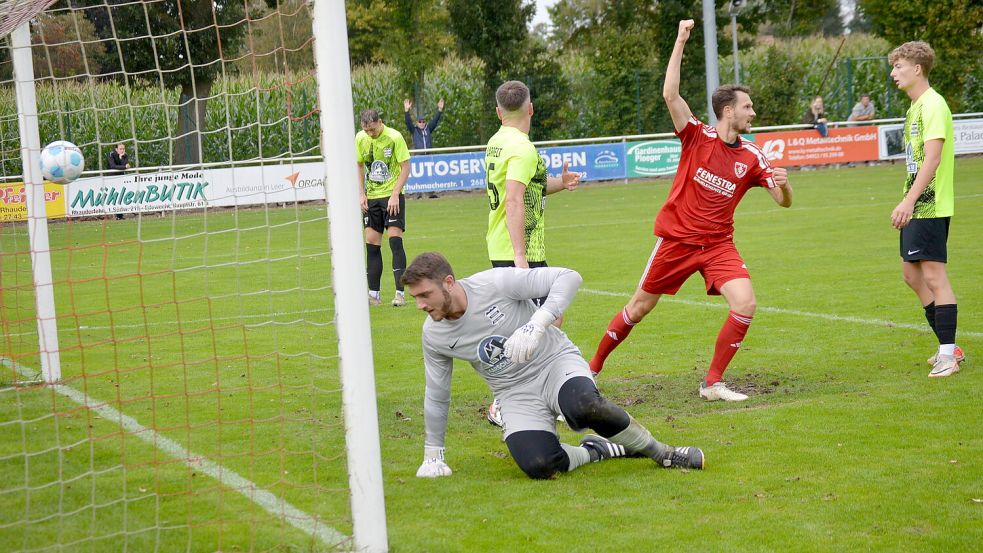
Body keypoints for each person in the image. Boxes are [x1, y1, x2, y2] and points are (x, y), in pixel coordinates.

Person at [587, 19, 792, 402]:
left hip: (718, 246)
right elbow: (670, 94)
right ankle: (591, 369)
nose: (753, 112)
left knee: (745, 303)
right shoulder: (697, 135)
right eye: (747, 106)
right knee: (638, 308)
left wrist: (784, 184)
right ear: (727, 111)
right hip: (678, 241)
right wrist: (680, 40)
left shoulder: (753, 155)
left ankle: (712, 383)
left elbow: (783, 202)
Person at [402, 251, 705, 480]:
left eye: (425, 295)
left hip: (553, 363)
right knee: (539, 465)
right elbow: (437, 394)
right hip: (513, 393)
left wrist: (537, 324)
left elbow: (569, 277)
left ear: (449, 283)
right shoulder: (434, 334)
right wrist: (433, 454)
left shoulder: (495, 284)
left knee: (584, 405)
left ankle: (662, 452)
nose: (420, 305)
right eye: (415, 297)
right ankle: (597, 449)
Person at [483, 79, 581, 426]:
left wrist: (559, 183)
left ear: (498, 112)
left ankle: (523, 396)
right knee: (546, 321)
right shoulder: (523, 148)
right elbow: (512, 198)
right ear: (531, 108)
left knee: (541, 323)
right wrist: (522, 257)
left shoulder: (497, 142)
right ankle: (506, 401)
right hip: (519, 250)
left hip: (502, 245)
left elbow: (526, 191)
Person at [888, 41, 962, 377]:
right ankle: (949, 346)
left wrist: (909, 200)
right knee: (911, 275)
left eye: (899, 67)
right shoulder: (915, 107)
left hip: (929, 206)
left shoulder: (934, 105)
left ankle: (948, 354)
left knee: (933, 276)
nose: (894, 73)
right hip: (918, 205)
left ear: (917, 69)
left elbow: (932, 158)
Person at [355, 109, 411, 307]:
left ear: (380, 122)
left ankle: (399, 294)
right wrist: (361, 194)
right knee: (372, 245)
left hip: (391, 197)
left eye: (372, 129)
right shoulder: (360, 138)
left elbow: (405, 166)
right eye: (366, 130)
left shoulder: (394, 137)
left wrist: (396, 193)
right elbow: (359, 166)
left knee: (395, 242)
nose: (370, 134)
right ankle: (374, 295)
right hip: (371, 199)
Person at [108, 143, 130, 219]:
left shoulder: (125, 155)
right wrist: (124, 166)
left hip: (121, 177)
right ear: (116, 149)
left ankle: (120, 215)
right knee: (114, 196)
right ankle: (115, 214)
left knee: (121, 195)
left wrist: (121, 158)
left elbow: (127, 166)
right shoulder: (111, 154)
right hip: (113, 177)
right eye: (120, 149)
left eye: (123, 149)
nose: (122, 150)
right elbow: (113, 166)